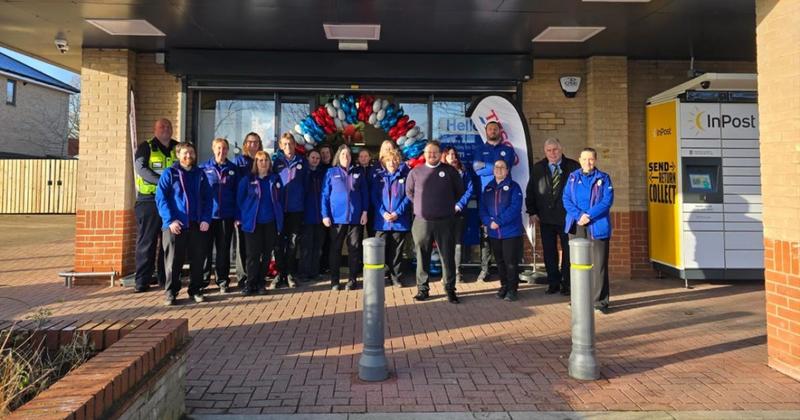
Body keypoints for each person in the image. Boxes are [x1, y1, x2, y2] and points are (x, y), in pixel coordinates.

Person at [406, 140, 465, 303]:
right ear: (424, 154)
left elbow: (459, 191)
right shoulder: (415, 172)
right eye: (429, 152)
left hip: (445, 222)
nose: (432, 155)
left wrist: (443, 205)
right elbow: (409, 193)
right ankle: (423, 289)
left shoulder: (450, 171)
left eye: (435, 152)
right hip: (422, 222)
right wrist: (422, 205)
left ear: (441, 155)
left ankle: (450, 289)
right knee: (421, 256)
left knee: (447, 257)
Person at [155, 142, 212, 306]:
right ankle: (171, 292)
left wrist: (206, 219)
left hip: (197, 224)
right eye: (185, 153)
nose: (189, 156)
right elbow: (161, 198)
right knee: (173, 261)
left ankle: (196, 290)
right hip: (175, 225)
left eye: (191, 153)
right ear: (178, 155)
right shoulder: (170, 173)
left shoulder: (200, 174)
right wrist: (169, 220)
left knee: (198, 259)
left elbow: (208, 199)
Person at [526, 138, 581, 296]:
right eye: (549, 150)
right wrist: (532, 211)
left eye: (555, 149)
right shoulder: (538, 168)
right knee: (549, 252)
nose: (552, 153)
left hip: (567, 218)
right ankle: (553, 283)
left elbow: (578, 191)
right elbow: (531, 191)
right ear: (545, 151)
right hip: (546, 218)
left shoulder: (573, 167)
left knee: (568, 252)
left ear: (561, 149)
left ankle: (567, 283)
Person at [562, 147, 614, 314]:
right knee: (578, 264)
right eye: (584, 159)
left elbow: (607, 201)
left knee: (599, 265)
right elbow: (566, 199)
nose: (587, 162)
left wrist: (589, 215)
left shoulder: (604, 179)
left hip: (596, 225)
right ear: (579, 159)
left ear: (595, 160)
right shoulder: (572, 177)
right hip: (577, 224)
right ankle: (578, 299)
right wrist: (579, 216)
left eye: (590, 159)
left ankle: (600, 302)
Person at [133, 118, 177, 293]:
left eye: (168, 126)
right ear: (155, 129)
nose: (166, 129)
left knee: (168, 243)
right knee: (147, 242)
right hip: (149, 201)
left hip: (171, 202)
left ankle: (164, 279)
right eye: (162, 126)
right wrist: (163, 182)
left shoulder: (177, 147)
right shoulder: (146, 147)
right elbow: (141, 169)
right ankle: (142, 280)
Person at [472, 121, 516, 282]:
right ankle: (485, 270)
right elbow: (477, 170)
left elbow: (507, 166)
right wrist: (497, 167)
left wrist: (488, 167)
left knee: (504, 234)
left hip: (505, 198)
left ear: (500, 131)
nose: (492, 131)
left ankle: (504, 271)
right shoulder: (479, 150)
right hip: (487, 197)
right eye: (490, 129)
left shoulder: (508, 150)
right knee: (486, 235)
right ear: (486, 131)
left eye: (495, 129)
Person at [321, 144, 369, 291]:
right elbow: (324, 195)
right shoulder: (331, 172)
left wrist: (365, 212)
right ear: (338, 156)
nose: (346, 157)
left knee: (354, 249)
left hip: (355, 218)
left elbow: (364, 193)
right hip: (336, 219)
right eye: (343, 154)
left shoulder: (358, 172)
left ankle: (352, 279)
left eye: (348, 154)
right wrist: (325, 215)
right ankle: (334, 281)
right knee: (335, 249)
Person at [236, 151, 284, 295]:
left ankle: (261, 283)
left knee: (267, 254)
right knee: (252, 255)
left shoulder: (275, 179)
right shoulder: (247, 180)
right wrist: (241, 217)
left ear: (270, 163)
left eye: (266, 160)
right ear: (255, 163)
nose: (263, 163)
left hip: (270, 222)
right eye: (260, 160)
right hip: (252, 223)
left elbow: (280, 199)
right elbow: (239, 200)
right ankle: (250, 283)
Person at [480, 160, 525, 302]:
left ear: (507, 171)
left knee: (510, 262)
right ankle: (504, 286)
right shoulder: (488, 188)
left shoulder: (514, 186)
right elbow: (482, 209)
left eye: (502, 167)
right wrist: (488, 221)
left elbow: (515, 208)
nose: (499, 169)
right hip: (494, 233)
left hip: (510, 232)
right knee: (499, 261)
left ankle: (512, 289)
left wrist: (498, 222)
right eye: (496, 167)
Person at [200, 138, 238, 294]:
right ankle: (203, 281)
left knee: (223, 250)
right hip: (208, 217)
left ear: (227, 150)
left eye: (224, 148)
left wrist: (236, 215)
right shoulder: (203, 168)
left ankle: (223, 281)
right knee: (205, 250)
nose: (221, 151)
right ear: (213, 148)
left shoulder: (233, 169)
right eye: (218, 148)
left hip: (226, 215)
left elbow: (237, 194)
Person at [371, 149, 412, 288]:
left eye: (394, 160)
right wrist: (383, 213)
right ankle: (379, 276)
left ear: (398, 161)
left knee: (396, 251)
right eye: (388, 160)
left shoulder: (405, 176)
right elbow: (375, 197)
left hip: (399, 220)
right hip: (382, 221)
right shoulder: (379, 177)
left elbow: (408, 196)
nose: (392, 163)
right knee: (379, 250)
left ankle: (396, 277)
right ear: (384, 162)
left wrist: (397, 213)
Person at [272, 132, 308, 289]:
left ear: (295, 145)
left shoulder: (302, 162)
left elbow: (305, 185)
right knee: (278, 243)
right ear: (281, 145)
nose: (288, 147)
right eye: (285, 144)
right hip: (279, 209)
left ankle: (290, 274)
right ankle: (279, 274)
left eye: (291, 144)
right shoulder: (275, 162)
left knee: (293, 243)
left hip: (296, 209)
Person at [233, 132, 263, 290]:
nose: (253, 145)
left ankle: (254, 275)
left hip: (257, 211)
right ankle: (242, 276)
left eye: (256, 142)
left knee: (254, 246)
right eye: (250, 142)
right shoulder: (239, 161)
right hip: (243, 210)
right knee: (242, 245)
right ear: (245, 144)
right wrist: (237, 214)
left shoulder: (260, 160)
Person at [442, 146, 475, 283]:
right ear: (444, 156)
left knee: (457, 243)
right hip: (443, 213)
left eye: (454, 154)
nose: (453, 156)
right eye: (449, 154)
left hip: (458, 212)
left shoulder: (463, 171)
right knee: (444, 243)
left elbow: (470, 189)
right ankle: (446, 274)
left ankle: (456, 272)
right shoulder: (440, 171)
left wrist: (459, 205)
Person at [297, 149, 326, 282]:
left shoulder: (322, 174)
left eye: (317, 158)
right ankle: (304, 273)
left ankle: (314, 272)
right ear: (307, 158)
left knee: (317, 246)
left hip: (320, 216)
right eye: (313, 157)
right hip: (306, 216)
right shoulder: (303, 173)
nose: (315, 160)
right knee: (306, 246)